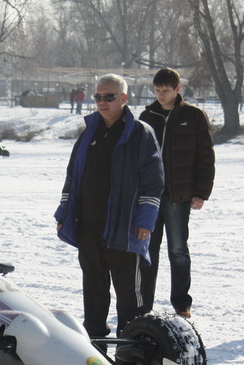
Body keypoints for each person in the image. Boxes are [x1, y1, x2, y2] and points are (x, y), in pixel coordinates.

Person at [55, 73, 163, 338]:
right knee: (93, 294)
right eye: (98, 97)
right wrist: (64, 213)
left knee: (130, 299)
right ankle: (95, 351)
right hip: (89, 228)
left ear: (124, 98)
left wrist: (145, 221)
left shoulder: (140, 133)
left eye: (109, 97)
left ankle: (134, 350)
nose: (102, 103)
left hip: (125, 230)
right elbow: (72, 177)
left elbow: (154, 182)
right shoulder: (88, 132)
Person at [138, 68, 215, 318]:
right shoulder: (146, 116)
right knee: (147, 250)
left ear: (177, 90)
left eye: (166, 91)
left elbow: (205, 156)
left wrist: (201, 192)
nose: (161, 95)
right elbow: (135, 157)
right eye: (157, 90)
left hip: (178, 195)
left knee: (178, 250)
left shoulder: (193, 116)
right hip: (149, 195)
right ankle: (142, 302)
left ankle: (182, 303)